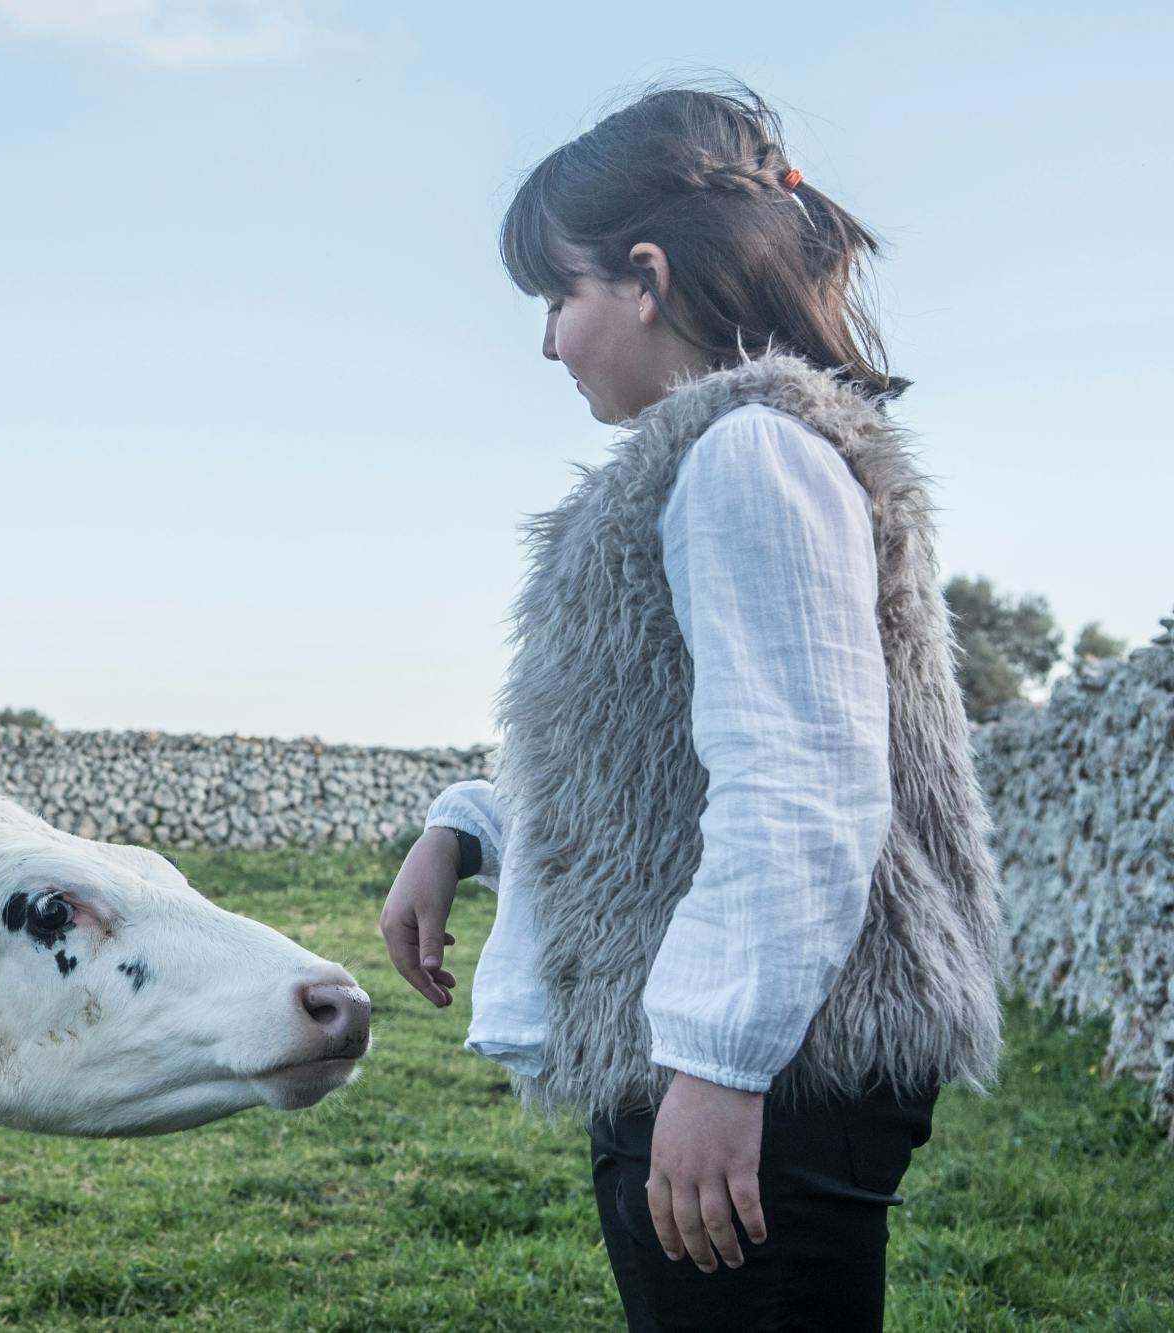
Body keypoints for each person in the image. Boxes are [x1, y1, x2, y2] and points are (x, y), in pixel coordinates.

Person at [378, 82, 1001, 1332]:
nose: (547, 343)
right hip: (748, 1047)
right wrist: (467, 826)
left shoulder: (747, 457)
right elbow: (657, 753)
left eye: (557, 298)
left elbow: (803, 777)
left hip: (765, 1060)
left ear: (646, 276)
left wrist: (718, 1061)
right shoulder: (716, 459)